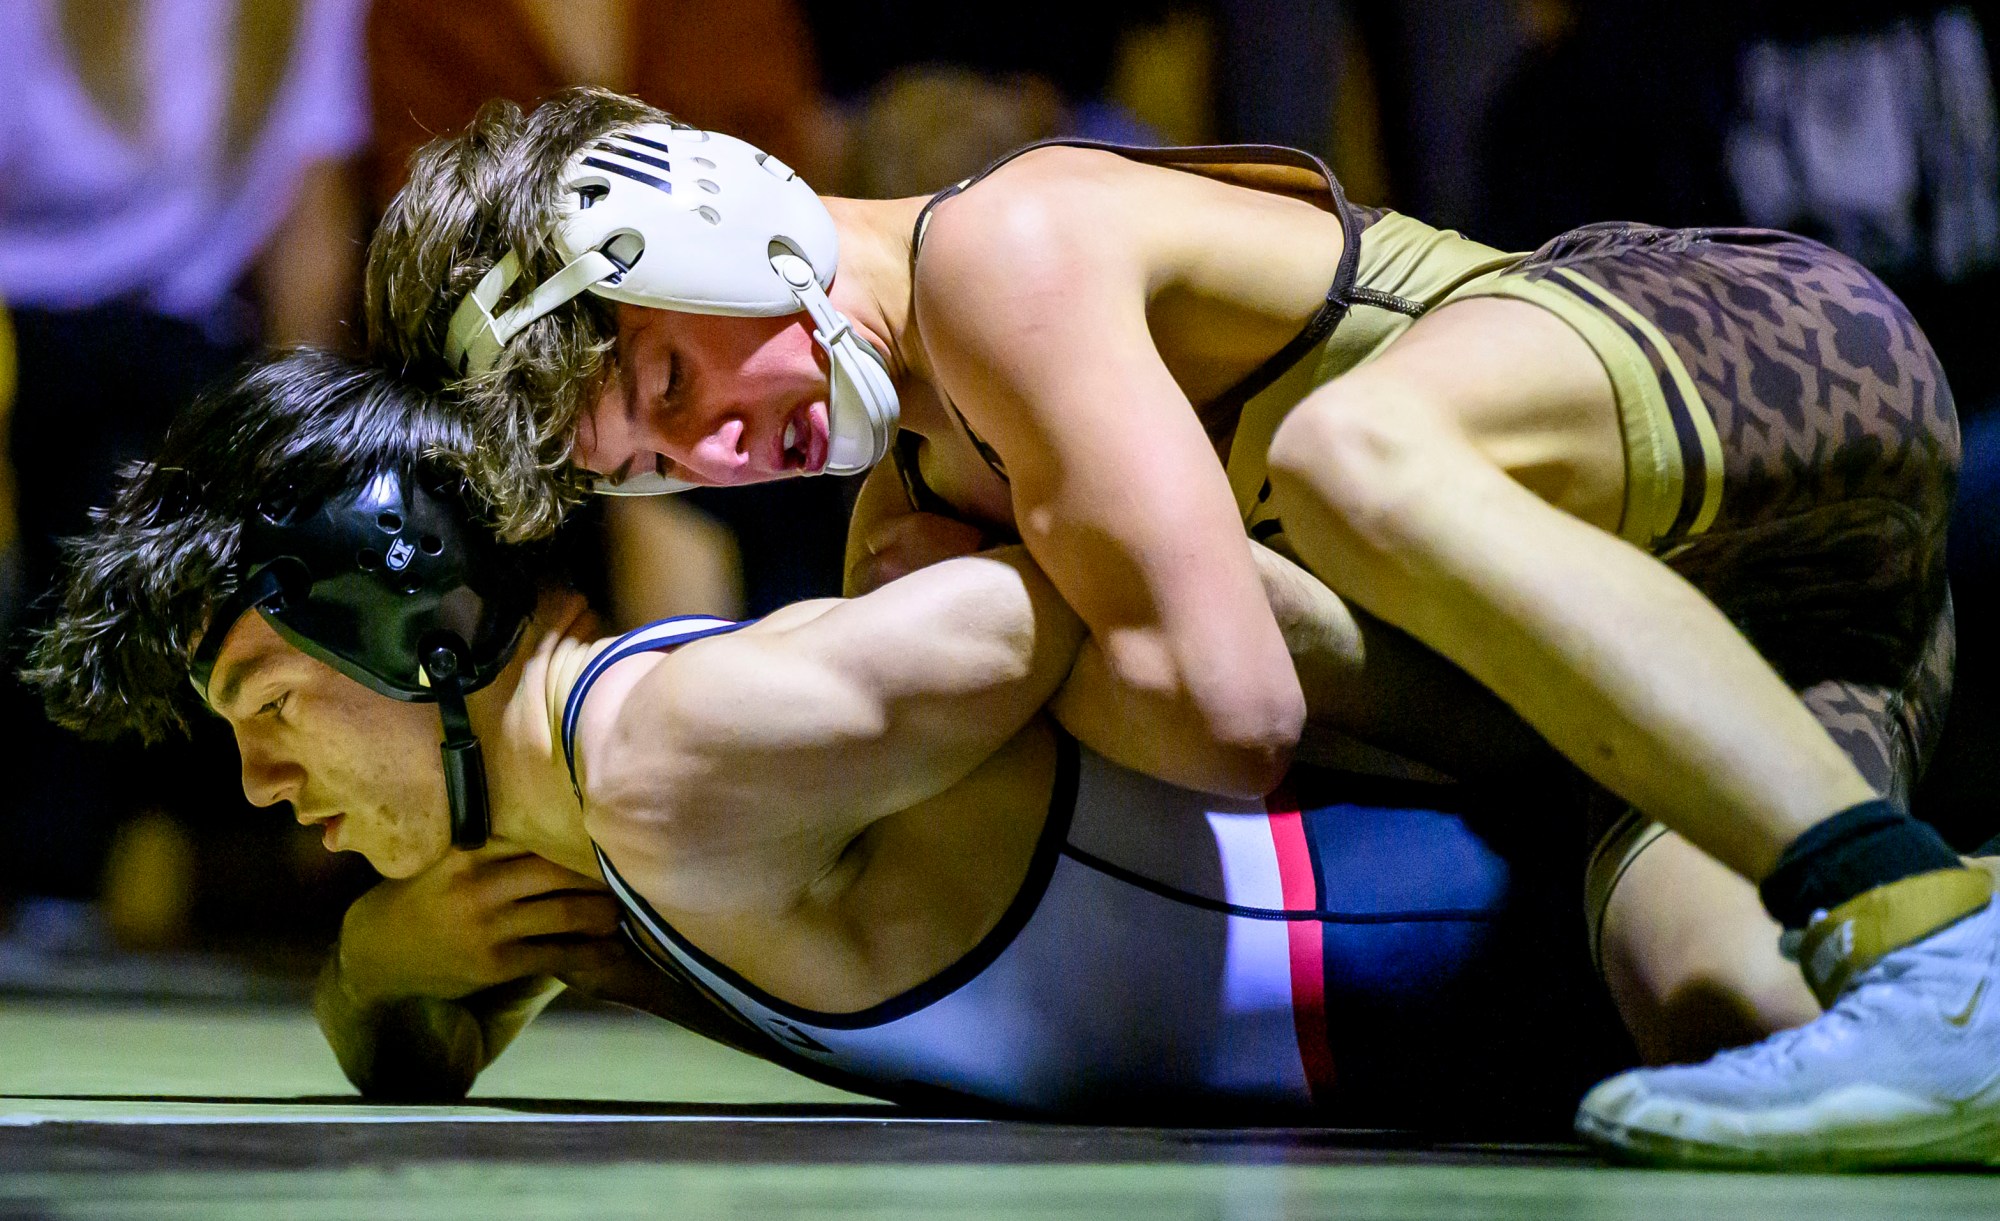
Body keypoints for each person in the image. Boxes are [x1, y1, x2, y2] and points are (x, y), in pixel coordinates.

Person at [360, 87, 1999, 1166]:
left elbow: (1231, 716)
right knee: (1721, 1011)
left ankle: (1908, 909)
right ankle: (1925, 936)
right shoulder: (910, 508)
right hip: (1751, 637)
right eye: (652, 463)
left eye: (666, 382)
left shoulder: (1002, 250)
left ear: (704, 207)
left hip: (1767, 355)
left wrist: (1041, 621)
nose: (715, 454)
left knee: (1349, 459)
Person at [27, 349, 1784, 1130]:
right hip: (1461, 990)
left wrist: (937, 489)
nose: (261, 783)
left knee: (1771, 994)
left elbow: (1075, 596)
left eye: (268, 707)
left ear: (407, 612)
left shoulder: (673, 757)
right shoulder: (580, 804)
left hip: (1532, 927)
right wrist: (372, 951)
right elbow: (397, 1053)